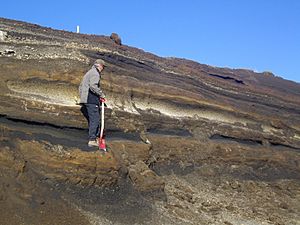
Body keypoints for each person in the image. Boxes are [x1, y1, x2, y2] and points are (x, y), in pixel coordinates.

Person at [79, 59, 106, 147]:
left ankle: (95, 137)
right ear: (99, 65)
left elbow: (81, 86)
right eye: (103, 67)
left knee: (93, 119)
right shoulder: (95, 73)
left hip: (86, 99)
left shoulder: (89, 72)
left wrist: (82, 98)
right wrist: (102, 95)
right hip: (91, 100)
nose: (103, 69)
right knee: (95, 120)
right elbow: (93, 86)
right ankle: (92, 140)